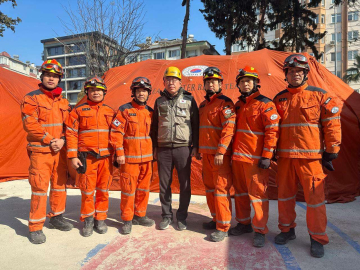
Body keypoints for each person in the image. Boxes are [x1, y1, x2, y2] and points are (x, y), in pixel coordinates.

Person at [273, 54, 341, 258]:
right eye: (291, 71)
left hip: (311, 158)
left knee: (315, 201)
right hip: (285, 158)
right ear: (286, 74)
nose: (295, 75)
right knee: (284, 197)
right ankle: (287, 230)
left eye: (299, 71)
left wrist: (332, 150)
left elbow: (332, 124)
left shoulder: (321, 96)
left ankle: (317, 238)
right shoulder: (279, 98)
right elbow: (272, 129)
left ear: (305, 74)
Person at [21, 59, 73, 244]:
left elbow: (70, 126)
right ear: (42, 77)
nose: (51, 79)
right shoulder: (31, 98)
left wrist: (63, 140)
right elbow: (30, 124)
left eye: (55, 76)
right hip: (41, 151)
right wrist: (50, 140)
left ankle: (57, 217)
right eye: (48, 75)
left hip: (60, 150)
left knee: (59, 185)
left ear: (59, 79)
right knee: (40, 188)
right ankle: (35, 226)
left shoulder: (64, 102)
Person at [230, 66, 280, 247]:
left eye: (249, 81)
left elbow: (272, 131)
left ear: (256, 83)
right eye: (243, 81)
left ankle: (260, 230)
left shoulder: (266, 104)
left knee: (258, 196)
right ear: (238, 84)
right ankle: (244, 223)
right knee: (241, 194)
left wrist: (267, 156)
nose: (246, 84)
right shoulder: (237, 105)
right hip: (238, 159)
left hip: (255, 160)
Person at [65, 76, 115, 237]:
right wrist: (73, 156)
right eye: (92, 90)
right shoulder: (78, 111)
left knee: (103, 190)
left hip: (106, 158)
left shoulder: (110, 111)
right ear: (87, 92)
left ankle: (100, 219)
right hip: (87, 158)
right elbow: (71, 134)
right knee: (87, 191)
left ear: (104, 92)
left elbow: (116, 135)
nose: (96, 93)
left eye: (99, 90)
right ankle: (87, 219)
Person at [151, 66, 199, 231]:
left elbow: (196, 124)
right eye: (168, 80)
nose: (171, 83)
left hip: (183, 148)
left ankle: (182, 217)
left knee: (185, 184)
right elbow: (154, 127)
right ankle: (166, 216)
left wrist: (196, 146)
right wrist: (155, 148)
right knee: (164, 184)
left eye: (174, 80)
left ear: (180, 82)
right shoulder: (158, 101)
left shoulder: (190, 100)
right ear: (164, 82)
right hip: (163, 149)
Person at [111, 77, 155, 235]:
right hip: (129, 159)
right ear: (133, 92)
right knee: (128, 190)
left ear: (148, 93)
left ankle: (140, 215)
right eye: (138, 91)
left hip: (147, 159)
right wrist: (119, 153)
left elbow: (154, 135)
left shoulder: (151, 112)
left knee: (143, 189)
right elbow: (116, 133)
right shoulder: (124, 110)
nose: (141, 93)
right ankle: (127, 218)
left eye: (144, 91)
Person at [197, 67, 235, 242]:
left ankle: (223, 226)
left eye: (214, 81)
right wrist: (199, 149)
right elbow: (202, 130)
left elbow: (228, 129)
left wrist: (221, 151)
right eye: (208, 81)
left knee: (220, 190)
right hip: (206, 155)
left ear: (220, 83)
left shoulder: (226, 104)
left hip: (219, 156)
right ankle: (215, 218)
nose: (211, 84)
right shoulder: (204, 105)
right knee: (210, 189)